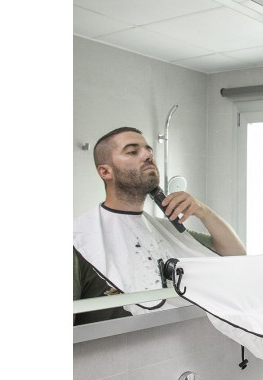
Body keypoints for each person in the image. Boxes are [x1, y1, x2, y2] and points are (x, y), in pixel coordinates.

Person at [73, 126, 245, 324]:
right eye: (132, 151)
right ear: (105, 171)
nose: (147, 155)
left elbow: (236, 256)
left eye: (149, 150)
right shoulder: (79, 238)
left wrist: (203, 211)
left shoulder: (165, 228)